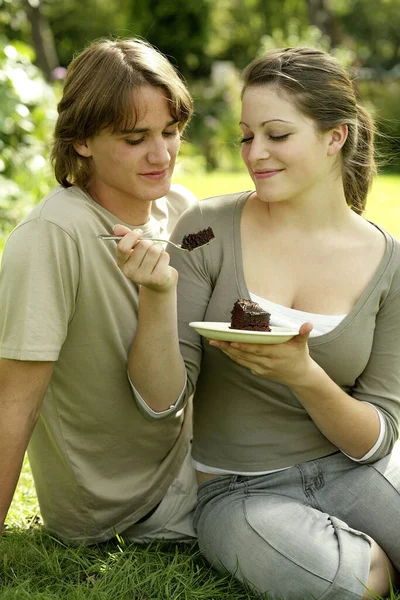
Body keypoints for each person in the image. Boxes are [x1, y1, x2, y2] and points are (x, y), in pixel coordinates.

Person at [115, 47, 400, 599]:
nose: (256, 153)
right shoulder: (207, 230)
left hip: (353, 472)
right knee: (352, 582)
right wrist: (157, 294)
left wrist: (304, 375)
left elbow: (377, 441)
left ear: (335, 136)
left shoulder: (390, 263)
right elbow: (160, 401)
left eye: (277, 135)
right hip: (240, 493)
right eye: (247, 137)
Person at [0, 37, 199, 544]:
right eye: (135, 139)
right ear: (82, 140)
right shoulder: (53, 236)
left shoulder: (181, 210)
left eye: (171, 132)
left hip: (199, 456)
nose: (161, 154)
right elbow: (14, 401)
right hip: (126, 504)